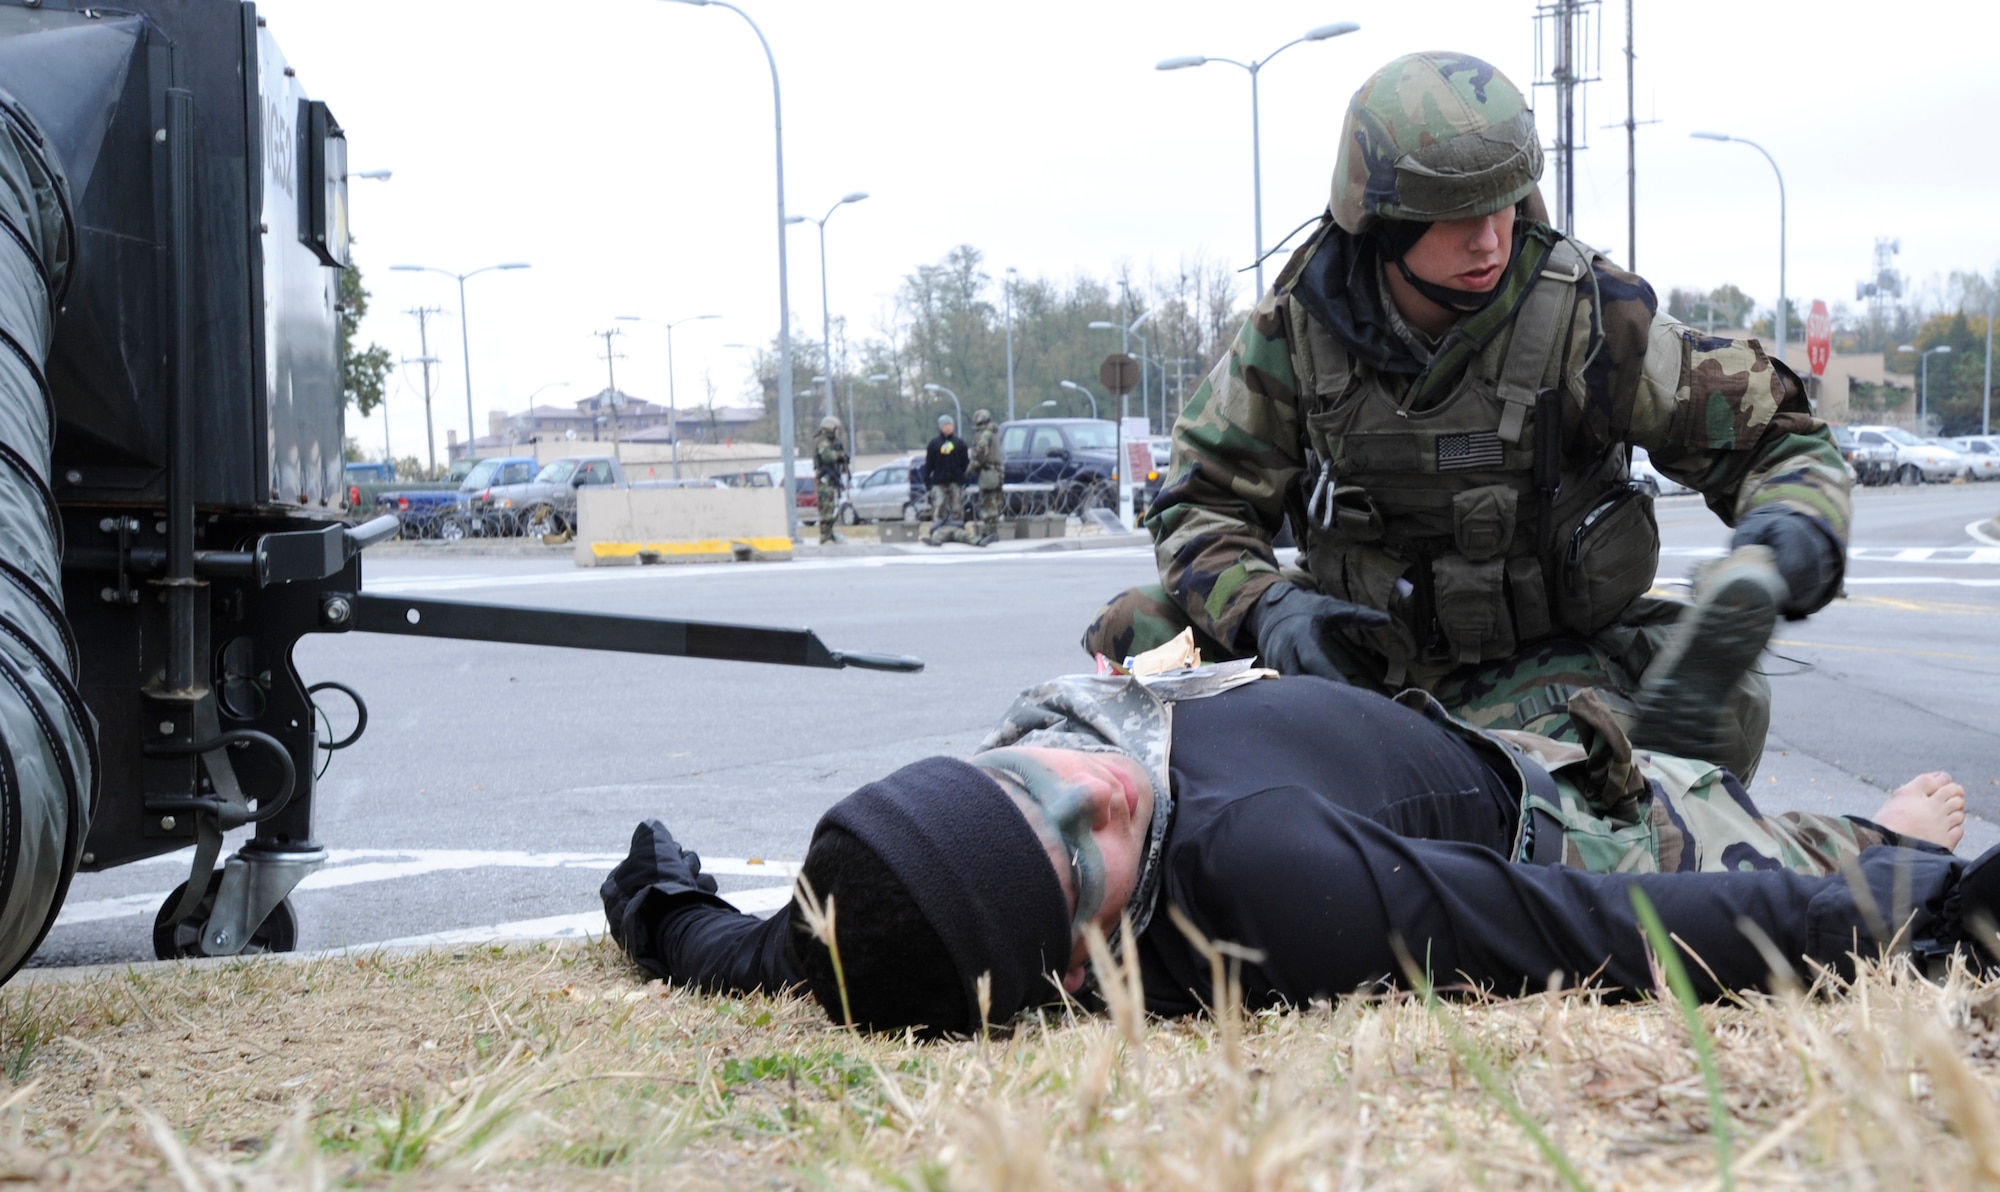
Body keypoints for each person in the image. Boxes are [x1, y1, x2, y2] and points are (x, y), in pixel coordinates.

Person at [1080, 52, 1850, 781]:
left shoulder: (1589, 322)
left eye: (1504, 205)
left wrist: (1791, 532)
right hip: (1357, 659)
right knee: (1141, 630)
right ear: (1381, 221)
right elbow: (1199, 500)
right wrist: (1267, 605)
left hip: (1551, 663)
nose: (1489, 239)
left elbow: (1774, 438)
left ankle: (1582, 825)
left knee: (1702, 717)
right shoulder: (1295, 333)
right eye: (1454, 215)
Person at [603, 672, 1981, 1037]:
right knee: (1721, 807)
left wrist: (653, 894)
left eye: (1024, 774)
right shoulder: (1268, 889)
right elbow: (1603, 928)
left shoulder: (879, 884)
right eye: (1081, 845)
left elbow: (737, 951)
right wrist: (1911, 884)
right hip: (1541, 798)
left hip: (1357, 695)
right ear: (1084, 967)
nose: (1092, 782)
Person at [923, 412, 972, 546]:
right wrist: (927, 482)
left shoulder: (960, 443)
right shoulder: (934, 444)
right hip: (939, 481)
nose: (949, 427)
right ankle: (937, 532)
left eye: (950, 424)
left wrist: (965, 479)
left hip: (956, 481)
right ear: (940, 427)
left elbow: (965, 464)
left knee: (957, 506)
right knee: (939, 506)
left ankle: (958, 531)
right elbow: (929, 464)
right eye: (946, 425)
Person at [969, 409, 1005, 546]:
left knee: (987, 503)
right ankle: (992, 531)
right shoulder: (995, 433)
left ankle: (988, 533)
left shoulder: (985, 435)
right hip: (998, 471)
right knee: (996, 502)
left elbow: (980, 454)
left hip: (988, 472)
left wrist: (970, 469)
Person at [812, 415, 849, 546]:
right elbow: (828, 457)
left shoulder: (833, 442)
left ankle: (830, 534)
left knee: (833, 509)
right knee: (826, 510)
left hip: (832, 479)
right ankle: (825, 536)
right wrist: (840, 456)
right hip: (824, 479)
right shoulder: (822, 441)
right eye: (835, 429)